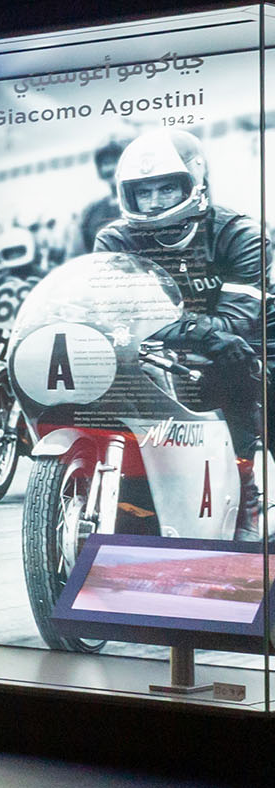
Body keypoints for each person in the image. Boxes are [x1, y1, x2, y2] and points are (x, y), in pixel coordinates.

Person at [92, 128, 266, 520]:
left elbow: (235, 325)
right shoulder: (115, 240)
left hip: (256, 346)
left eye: (167, 188)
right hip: (165, 351)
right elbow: (117, 316)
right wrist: (190, 330)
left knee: (236, 369)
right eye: (143, 191)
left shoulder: (239, 234)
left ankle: (245, 497)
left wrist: (159, 324)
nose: (154, 202)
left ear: (195, 182)